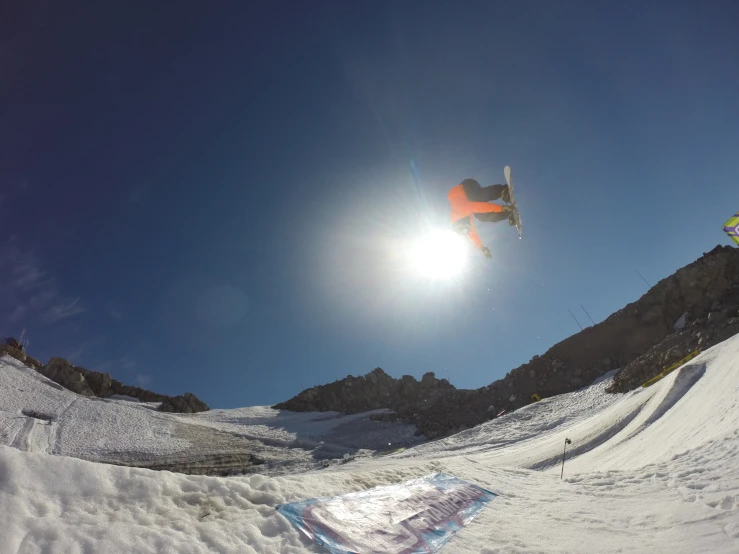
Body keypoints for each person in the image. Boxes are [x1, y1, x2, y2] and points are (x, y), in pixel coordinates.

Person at [448, 178, 515, 258]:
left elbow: (480, 207)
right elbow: (472, 235)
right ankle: (508, 214)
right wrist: (482, 248)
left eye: (466, 227)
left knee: (476, 198)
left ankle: (502, 190)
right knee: (481, 217)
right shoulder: (465, 225)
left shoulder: (460, 209)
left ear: (460, 224)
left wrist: (501, 208)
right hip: (469, 196)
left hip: (467, 186)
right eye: (467, 228)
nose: (469, 226)